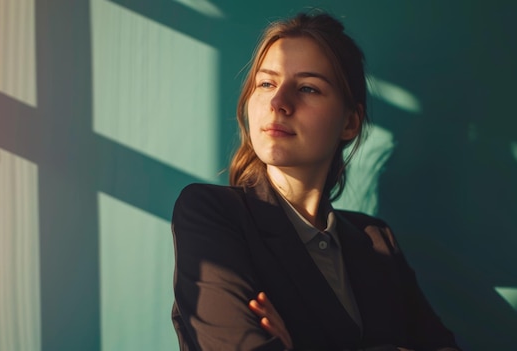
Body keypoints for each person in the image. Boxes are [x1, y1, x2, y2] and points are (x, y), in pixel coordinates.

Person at [171, 12, 460, 351]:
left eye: (308, 88)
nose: (278, 103)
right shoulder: (212, 214)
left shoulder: (377, 242)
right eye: (266, 83)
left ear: (350, 123)